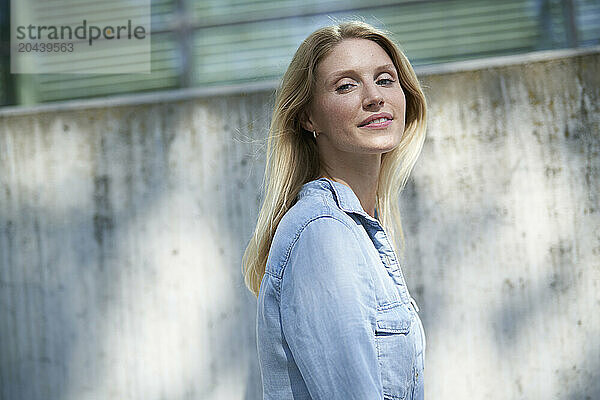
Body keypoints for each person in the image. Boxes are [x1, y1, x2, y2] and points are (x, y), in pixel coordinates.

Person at [241, 20, 427, 399]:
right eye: (346, 85)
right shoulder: (323, 233)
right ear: (308, 117)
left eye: (385, 79)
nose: (374, 96)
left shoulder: (358, 229)